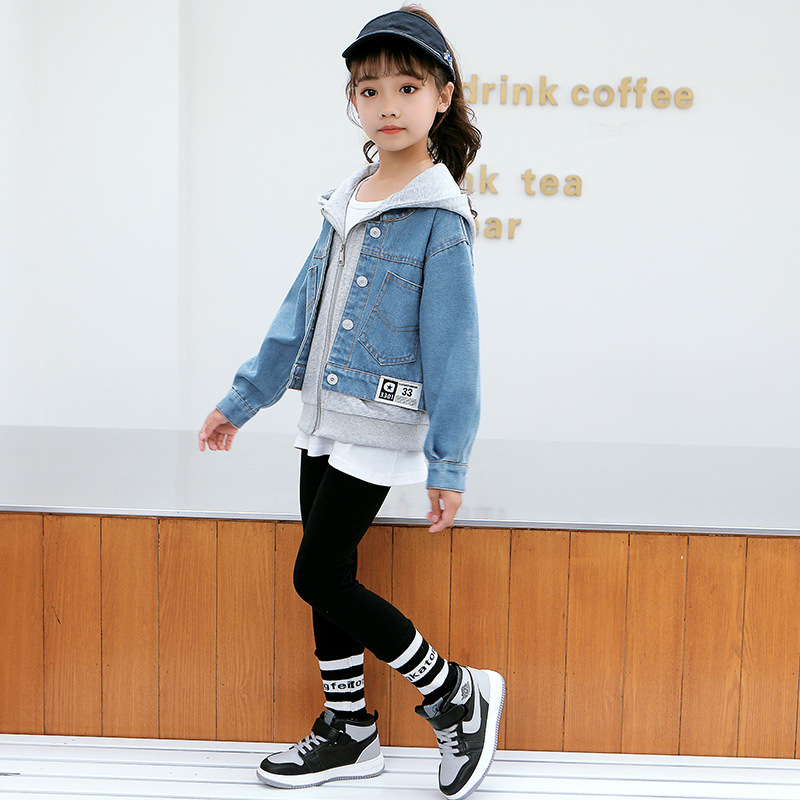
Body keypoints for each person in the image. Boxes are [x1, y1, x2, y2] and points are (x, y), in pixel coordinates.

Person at [198, 6, 504, 798]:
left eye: (408, 87)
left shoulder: (440, 219)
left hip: (380, 419)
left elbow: (456, 350)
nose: (388, 105)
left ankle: (453, 692)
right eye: (370, 91)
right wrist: (245, 398)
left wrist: (448, 462)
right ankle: (349, 730)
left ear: (443, 96)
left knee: (318, 576)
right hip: (324, 416)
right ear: (354, 102)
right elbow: (300, 308)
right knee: (329, 568)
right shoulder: (349, 197)